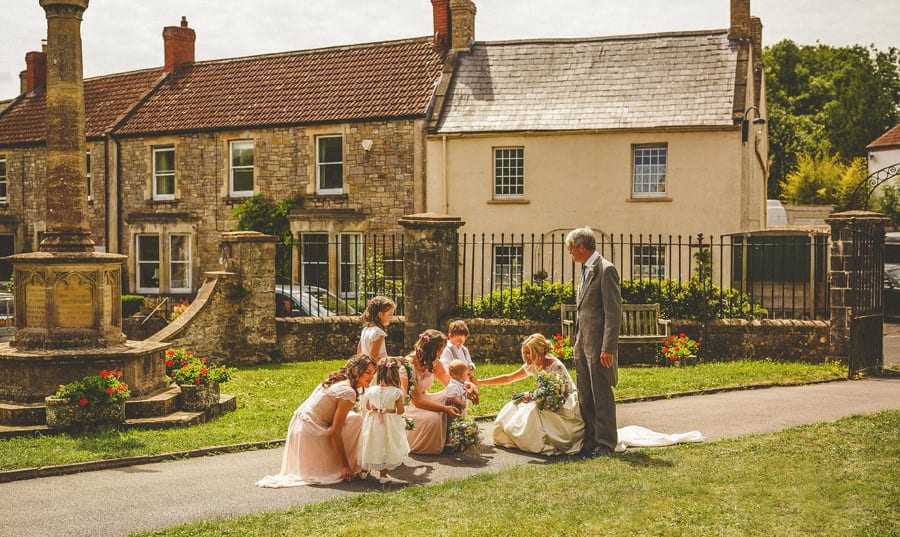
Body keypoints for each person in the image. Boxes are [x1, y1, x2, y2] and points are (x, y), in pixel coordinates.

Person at [255, 354, 376, 488]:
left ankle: (353, 461)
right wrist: (345, 466)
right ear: (355, 371)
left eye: (373, 373)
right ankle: (349, 464)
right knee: (357, 420)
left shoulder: (338, 379)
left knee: (354, 418)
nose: (371, 378)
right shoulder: (348, 392)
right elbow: (334, 432)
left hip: (298, 427)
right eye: (367, 372)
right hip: (310, 433)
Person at [473, 333, 584, 455]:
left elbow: (558, 392)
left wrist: (533, 396)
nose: (525, 357)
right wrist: (480, 382)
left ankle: (539, 442)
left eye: (528, 352)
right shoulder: (532, 365)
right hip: (543, 397)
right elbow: (509, 378)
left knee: (533, 412)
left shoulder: (555, 365)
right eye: (523, 352)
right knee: (512, 406)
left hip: (562, 401)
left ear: (539, 352)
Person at [567, 226, 623, 458]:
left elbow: (613, 312)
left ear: (581, 247)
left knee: (601, 394)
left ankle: (606, 442)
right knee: (586, 393)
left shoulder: (606, 270)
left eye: (571, 249)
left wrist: (608, 347)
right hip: (583, 342)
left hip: (599, 345)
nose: (570, 253)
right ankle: (590, 438)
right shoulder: (585, 269)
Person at [404, 329, 461, 454]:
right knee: (433, 419)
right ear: (431, 348)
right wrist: (444, 408)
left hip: (426, 397)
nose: (441, 352)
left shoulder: (434, 361)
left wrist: (467, 387)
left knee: (458, 393)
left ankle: (451, 440)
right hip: (410, 404)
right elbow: (417, 402)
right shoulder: (409, 365)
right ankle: (430, 446)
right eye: (440, 349)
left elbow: (450, 383)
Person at [357, 357, 409, 485]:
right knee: (386, 444)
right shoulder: (396, 392)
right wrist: (389, 410)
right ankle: (383, 475)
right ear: (396, 375)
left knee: (371, 442)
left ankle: (364, 470)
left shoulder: (371, 390)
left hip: (373, 421)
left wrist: (376, 408)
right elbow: (400, 411)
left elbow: (368, 407)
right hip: (389, 423)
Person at [357, 296, 396, 361]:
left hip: (367, 368)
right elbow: (373, 357)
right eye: (390, 314)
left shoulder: (365, 329)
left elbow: (359, 352)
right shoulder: (378, 333)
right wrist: (392, 361)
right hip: (377, 369)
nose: (392, 317)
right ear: (380, 315)